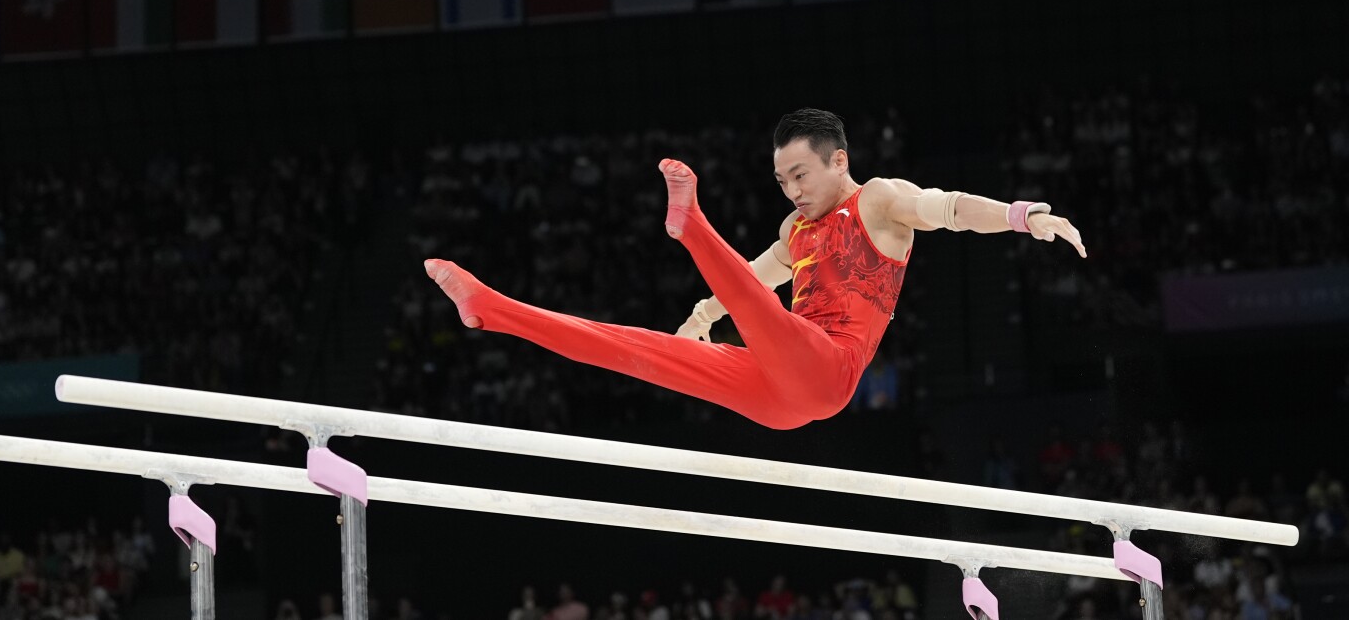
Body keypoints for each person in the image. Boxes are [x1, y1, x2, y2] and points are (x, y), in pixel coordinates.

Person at [426, 108, 1086, 429]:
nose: (792, 189)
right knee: (638, 351)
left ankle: (693, 227)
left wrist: (1022, 216)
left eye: (800, 173)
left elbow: (947, 210)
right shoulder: (793, 230)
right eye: (780, 179)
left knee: (762, 315)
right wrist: (701, 316)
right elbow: (753, 276)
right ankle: (493, 311)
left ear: (837, 160)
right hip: (775, 388)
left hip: (829, 370)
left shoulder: (877, 199)